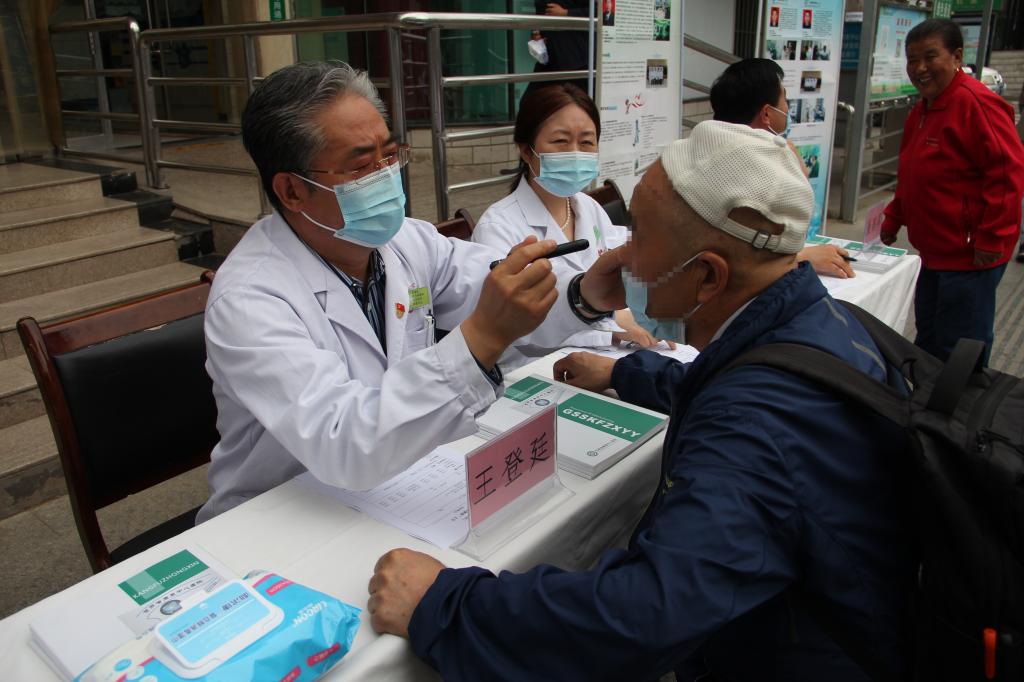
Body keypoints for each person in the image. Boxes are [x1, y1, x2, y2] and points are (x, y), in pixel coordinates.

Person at [367, 121, 914, 681]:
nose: (624, 254)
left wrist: (441, 604)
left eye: (642, 237)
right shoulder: (818, 321)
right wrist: (624, 372)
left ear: (707, 276)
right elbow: (729, 380)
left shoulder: (755, 425)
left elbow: (641, 617)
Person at [198, 62, 611, 521]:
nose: (385, 177)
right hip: (277, 514)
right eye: (362, 165)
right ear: (292, 191)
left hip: (398, 481)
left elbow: (492, 283)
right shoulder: (250, 299)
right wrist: (481, 339)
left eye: (390, 156)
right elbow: (343, 441)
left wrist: (586, 293)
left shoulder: (406, 242)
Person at [471, 84, 662, 367]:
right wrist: (609, 324)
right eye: (560, 141)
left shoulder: (587, 207)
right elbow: (508, 329)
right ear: (526, 150)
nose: (575, 153)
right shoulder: (498, 227)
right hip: (532, 371)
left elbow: (625, 260)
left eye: (586, 142)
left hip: (604, 360)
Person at [880, 19, 1024, 364]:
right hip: (934, 250)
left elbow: (1007, 174)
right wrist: (894, 217)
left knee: (960, 347)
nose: (920, 68)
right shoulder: (923, 108)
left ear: (957, 57)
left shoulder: (976, 103)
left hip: (971, 255)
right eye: (912, 60)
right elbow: (911, 173)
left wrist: (993, 236)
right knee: (929, 336)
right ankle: (928, 395)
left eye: (930, 57)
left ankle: (960, 399)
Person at [710, 58, 855, 278]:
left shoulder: (713, 150)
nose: (787, 107)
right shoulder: (757, 166)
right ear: (767, 113)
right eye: (784, 99)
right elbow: (736, 251)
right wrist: (802, 257)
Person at [525, 1, 594, 98]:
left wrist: (566, 13)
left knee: (578, 102)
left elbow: (599, 11)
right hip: (549, 58)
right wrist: (535, 34)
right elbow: (539, 15)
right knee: (530, 101)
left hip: (575, 60)